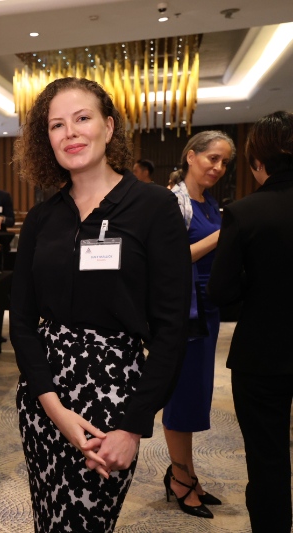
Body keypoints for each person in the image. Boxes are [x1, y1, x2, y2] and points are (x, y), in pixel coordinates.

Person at [9, 77, 190, 532]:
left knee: (87, 523)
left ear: (108, 128)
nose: (70, 132)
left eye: (82, 118)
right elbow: (23, 322)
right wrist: (52, 407)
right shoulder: (43, 217)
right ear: (46, 139)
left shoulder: (153, 206)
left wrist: (133, 427)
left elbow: (171, 328)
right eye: (56, 125)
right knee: (47, 518)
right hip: (44, 395)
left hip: (113, 401)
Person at [208, 111, 293, 532]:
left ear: (258, 161)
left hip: (263, 353)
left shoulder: (244, 212)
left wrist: (257, 282)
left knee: (267, 456)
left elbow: (221, 292)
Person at [163, 130, 235, 518]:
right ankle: (180, 478)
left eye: (225, 162)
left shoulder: (209, 203)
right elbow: (173, 257)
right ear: (191, 156)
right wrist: (225, 234)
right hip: (184, 312)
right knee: (182, 395)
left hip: (208, 308)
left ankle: (187, 474)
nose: (218, 167)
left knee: (195, 395)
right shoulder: (174, 202)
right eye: (212, 158)